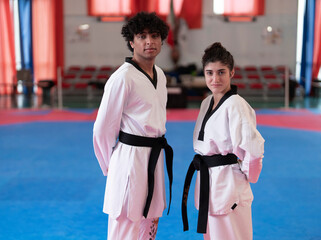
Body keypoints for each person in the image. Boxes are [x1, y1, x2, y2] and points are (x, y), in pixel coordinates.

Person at [93, 12, 173, 240]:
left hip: (154, 156)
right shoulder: (122, 78)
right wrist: (112, 166)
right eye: (142, 36)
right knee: (126, 223)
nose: (149, 41)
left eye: (155, 35)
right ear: (131, 42)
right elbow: (103, 128)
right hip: (129, 158)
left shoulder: (160, 75)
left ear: (162, 39)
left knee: (150, 223)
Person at [182, 42, 265, 240]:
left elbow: (253, 149)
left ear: (232, 72)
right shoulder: (206, 102)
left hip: (229, 183)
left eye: (221, 72)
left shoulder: (236, 104)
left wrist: (245, 177)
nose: (215, 78)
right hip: (208, 179)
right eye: (209, 73)